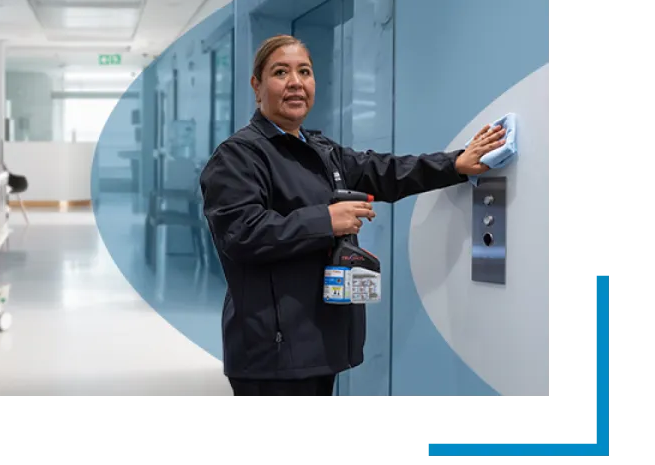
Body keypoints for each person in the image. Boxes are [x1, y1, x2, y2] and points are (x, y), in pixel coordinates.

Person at [198, 35, 506, 401]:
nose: (295, 82)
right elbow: (240, 234)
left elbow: (385, 171)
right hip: (271, 350)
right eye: (281, 72)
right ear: (257, 85)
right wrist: (325, 221)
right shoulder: (239, 156)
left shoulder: (322, 150)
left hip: (319, 341)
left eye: (305, 72)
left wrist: (454, 164)